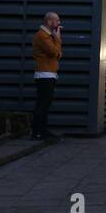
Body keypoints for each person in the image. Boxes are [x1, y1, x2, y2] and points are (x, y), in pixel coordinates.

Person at [32, 11, 62, 141]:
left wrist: (55, 40)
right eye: (57, 20)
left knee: (46, 103)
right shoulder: (43, 36)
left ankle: (42, 130)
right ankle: (37, 132)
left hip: (49, 73)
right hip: (44, 73)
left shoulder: (48, 36)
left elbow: (58, 54)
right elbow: (54, 52)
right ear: (49, 22)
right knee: (43, 103)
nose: (59, 23)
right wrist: (58, 38)